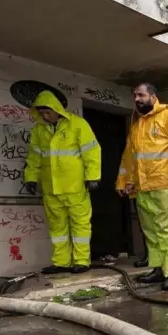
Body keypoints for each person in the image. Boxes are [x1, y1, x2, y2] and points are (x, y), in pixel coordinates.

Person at [116, 83, 168, 291]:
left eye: (141, 95)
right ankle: (158, 269)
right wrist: (123, 182)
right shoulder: (137, 126)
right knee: (151, 232)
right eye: (135, 95)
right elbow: (129, 158)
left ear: (153, 96)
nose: (137, 99)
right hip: (143, 187)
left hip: (165, 182)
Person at [23, 90, 101, 275]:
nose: (44, 116)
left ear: (56, 109)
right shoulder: (38, 131)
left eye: (47, 112)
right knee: (57, 228)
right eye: (41, 113)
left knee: (80, 224)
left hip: (75, 186)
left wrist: (93, 176)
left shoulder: (77, 125)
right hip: (51, 187)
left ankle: (81, 261)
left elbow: (92, 151)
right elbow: (33, 158)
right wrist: (31, 178)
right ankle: (61, 262)